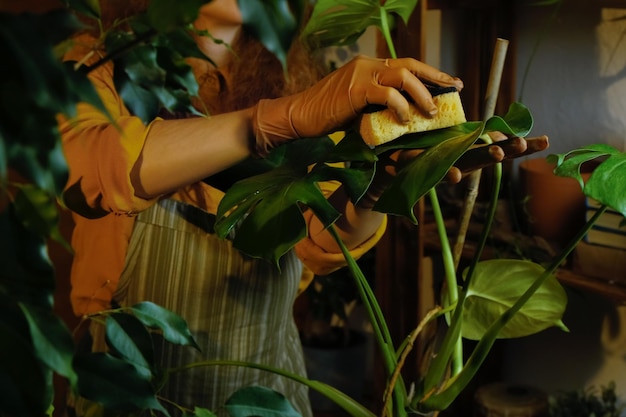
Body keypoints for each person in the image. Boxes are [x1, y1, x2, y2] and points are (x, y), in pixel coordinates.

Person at [59, 1, 547, 416]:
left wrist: (378, 184)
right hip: (128, 383)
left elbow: (318, 244)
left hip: (267, 384)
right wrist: (274, 120)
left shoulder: (298, 75)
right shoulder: (97, 61)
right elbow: (89, 166)